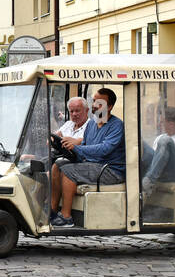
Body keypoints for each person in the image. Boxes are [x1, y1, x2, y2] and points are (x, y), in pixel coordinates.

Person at [49, 87, 126, 227]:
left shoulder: (117, 125)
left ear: (109, 106)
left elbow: (104, 149)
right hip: (92, 165)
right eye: (94, 101)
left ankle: (66, 217)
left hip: (110, 170)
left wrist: (76, 147)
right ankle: (52, 211)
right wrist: (66, 148)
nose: (94, 105)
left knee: (69, 171)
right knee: (58, 165)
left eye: (99, 103)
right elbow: (85, 145)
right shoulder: (91, 123)